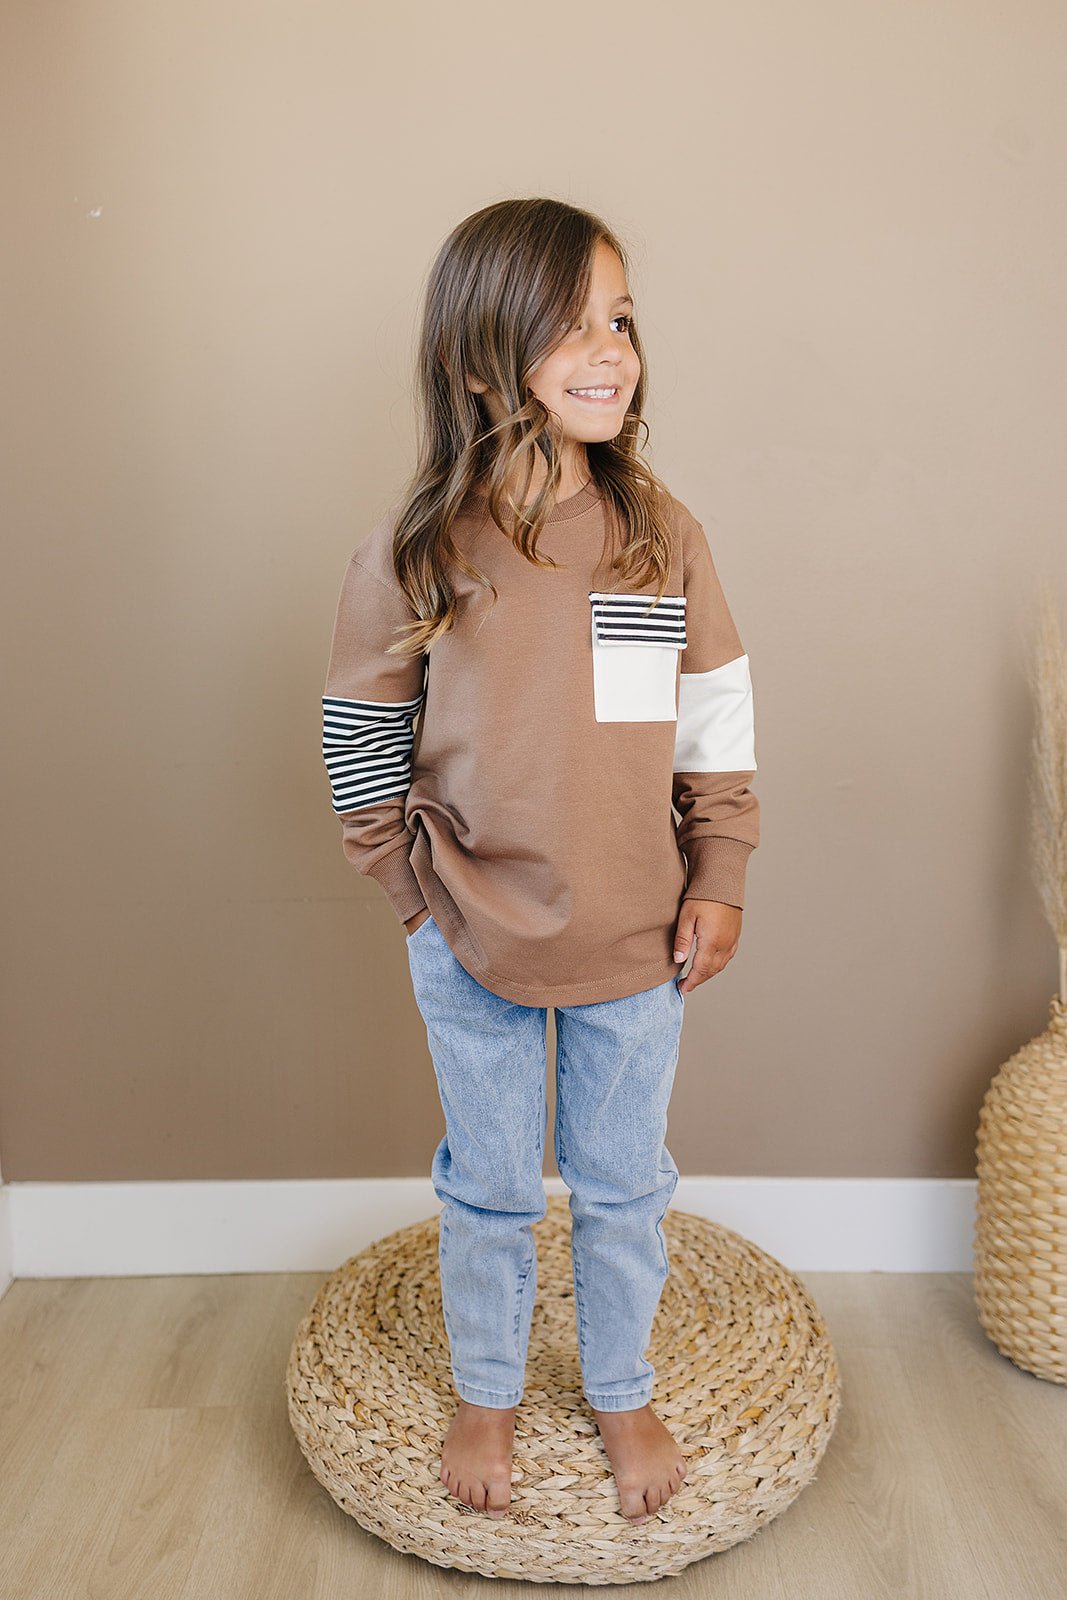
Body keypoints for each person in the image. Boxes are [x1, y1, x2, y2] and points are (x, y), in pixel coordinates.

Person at [321, 198, 759, 1525]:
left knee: (627, 1184)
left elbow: (708, 722)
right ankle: (488, 1389)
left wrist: (720, 871)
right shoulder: (417, 552)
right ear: (478, 362)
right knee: (493, 1186)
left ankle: (619, 1388)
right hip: (467, 932)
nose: (611, 348)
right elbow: (360, 737)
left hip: (636, 933)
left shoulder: (657, 534)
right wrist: (412, 899)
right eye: (572, 326)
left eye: (620, 319)